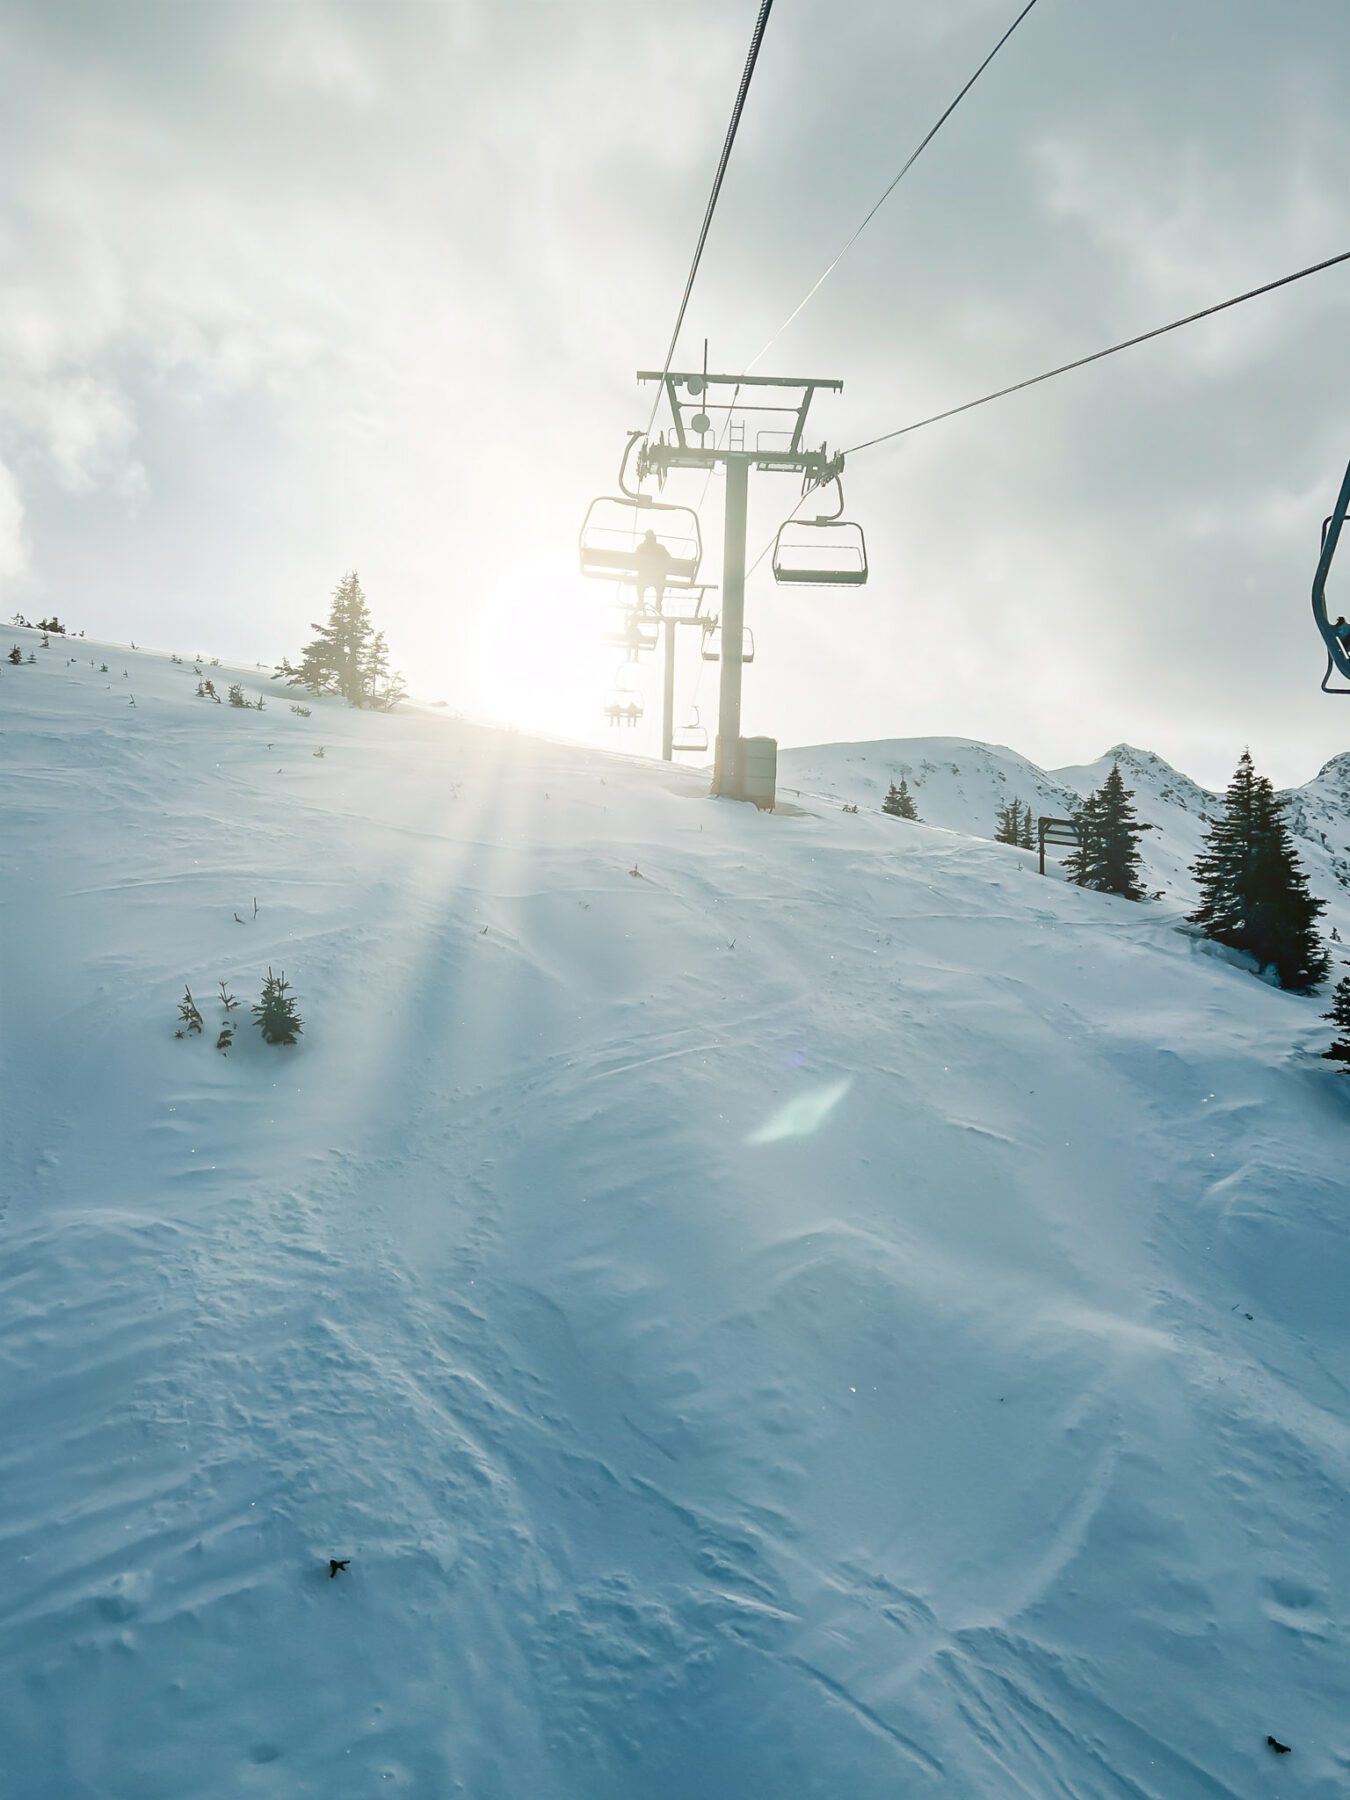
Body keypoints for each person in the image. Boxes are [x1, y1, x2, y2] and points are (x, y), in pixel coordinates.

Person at [632, 529, 673, 605]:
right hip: (658, 578)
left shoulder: (641, 547)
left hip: (644, 576)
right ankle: (658, 605)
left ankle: (640, 602)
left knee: (640, 584)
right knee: (660, 585)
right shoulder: (661, 548)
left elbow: (634, 560)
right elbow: (669, 560)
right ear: (654, 537)